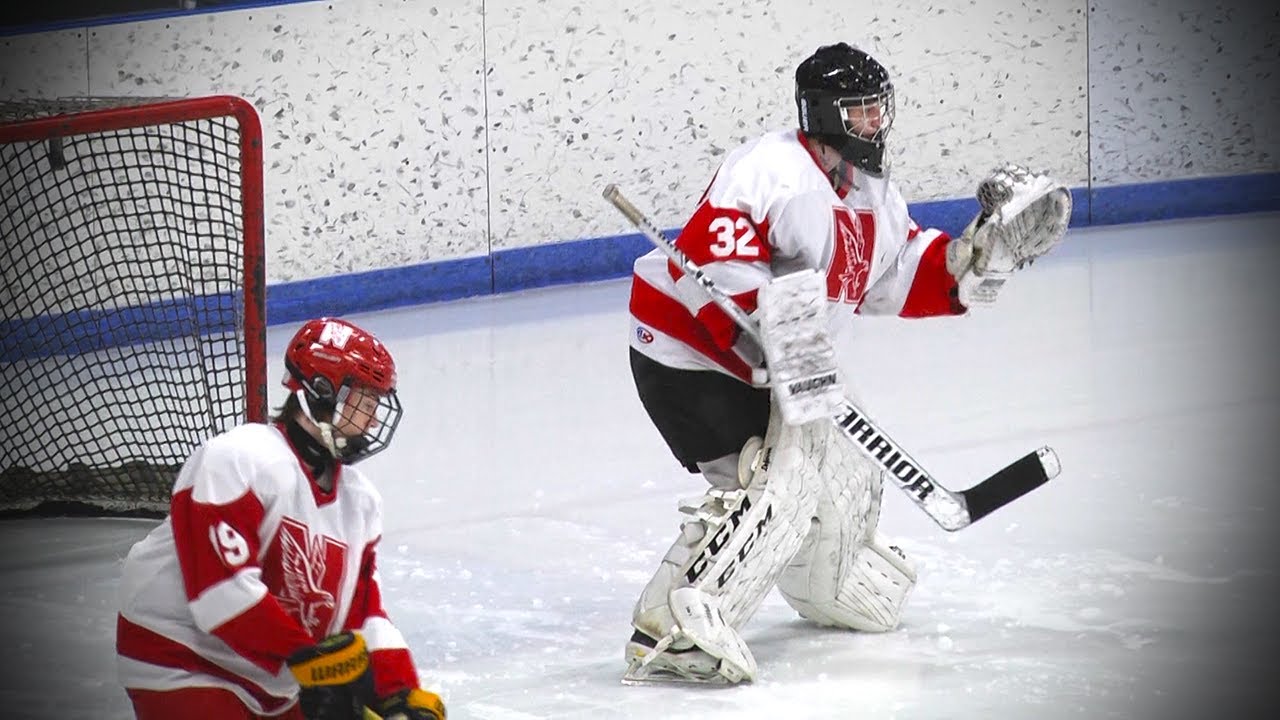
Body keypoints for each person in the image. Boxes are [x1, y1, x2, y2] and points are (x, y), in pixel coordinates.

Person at [623, 42, 1068, 684]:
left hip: (795, 357)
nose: (874, 124)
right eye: (860, 112)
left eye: (878, 110)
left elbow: (889, 272)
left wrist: (966, 264)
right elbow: (712, 262)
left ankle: (827, 583)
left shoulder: (870, 189)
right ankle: (672, 627)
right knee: (775, 481)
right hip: (692, 358)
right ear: (825, 114)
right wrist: (777, 337)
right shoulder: (768, 168)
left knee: (849, 470)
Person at [115, 317, 446, 719]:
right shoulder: (236, 460)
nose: (374, 419)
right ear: (322, 392)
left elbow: (363, 613)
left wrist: (399, 691)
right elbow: (219, 594)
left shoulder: (360, 503)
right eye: (365, 400)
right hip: (181, 655)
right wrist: (306, 659)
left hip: (279, 676)